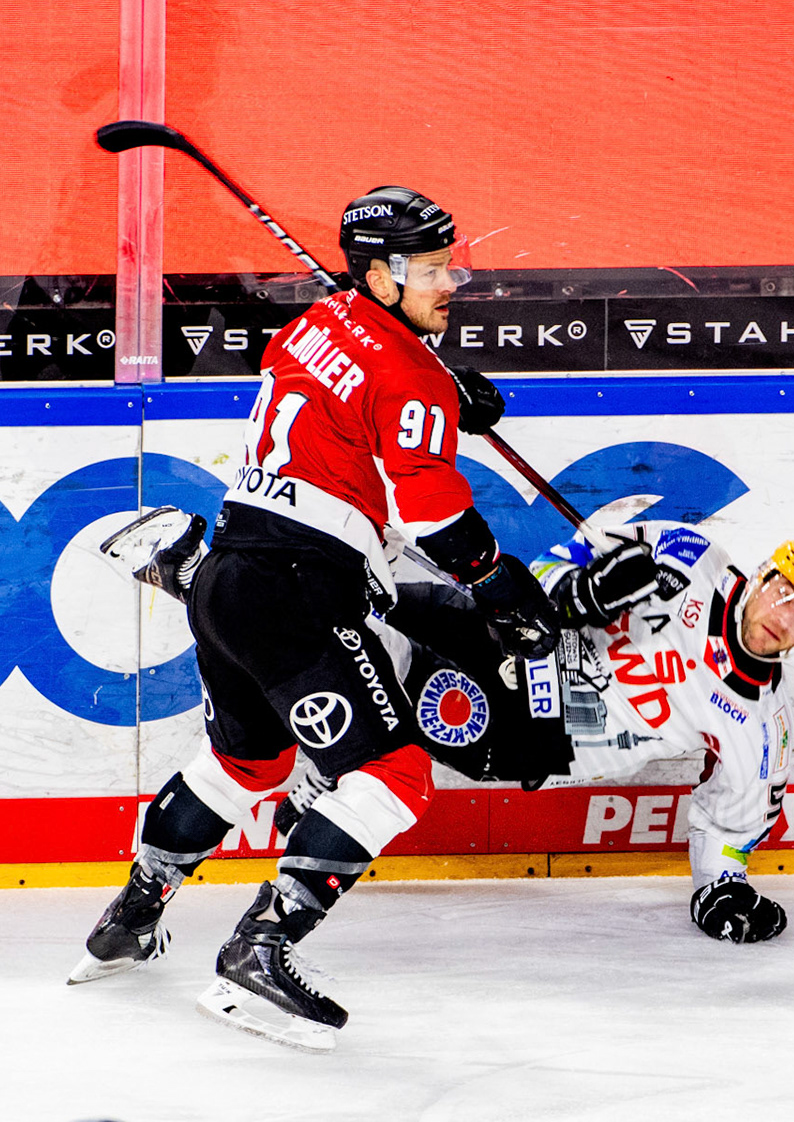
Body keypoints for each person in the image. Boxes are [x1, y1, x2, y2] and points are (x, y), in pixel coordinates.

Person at [68, 186, 560, 1052]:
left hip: (226, 577)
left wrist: (446, 392)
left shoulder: (314, 323)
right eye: (433, 270)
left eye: (450, 266)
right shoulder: (412, 375)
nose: (452, 283)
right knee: (396, 774)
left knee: (247, 763)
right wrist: (498, 581)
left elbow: (353, 380)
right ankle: (262, 946)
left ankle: (132, 915)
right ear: (383, 274)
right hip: (299, 589)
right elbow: (433, 513)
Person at [384, 522, 794, 945]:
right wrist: (577, 591)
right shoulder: (689, 556)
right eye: (785, 591)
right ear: (763, 576)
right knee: (350, 604)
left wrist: (721, 888)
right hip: (503, 630)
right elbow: (553, 563)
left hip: (526, 735)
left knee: (379, 670)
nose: (785, 617)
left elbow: (730, 827)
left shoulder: (761, 727)